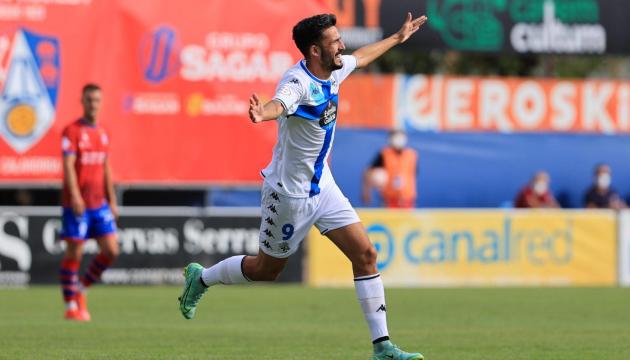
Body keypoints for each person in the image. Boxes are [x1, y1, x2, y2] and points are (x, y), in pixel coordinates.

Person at [179, 13, 427, 360]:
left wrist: (398, 38)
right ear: (315, 50)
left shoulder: (336, 68)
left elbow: (364, 56)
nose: (342, 45)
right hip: (289, 196)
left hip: (323, 185)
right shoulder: (298, 83)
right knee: (267, 271)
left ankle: (382, 346)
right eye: (335, 41)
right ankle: (201, 278)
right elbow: (280, 104)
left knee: (366, 255)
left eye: (340, 39)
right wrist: (262, 112)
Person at [59, 83, 119, 321]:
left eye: (96, 100)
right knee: (75, 253)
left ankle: (81, 290)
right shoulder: (71, 131)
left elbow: (106, 168)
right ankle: (70, 305)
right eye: (89, 100)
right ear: (82, 101)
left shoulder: (103, 132)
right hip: (78, 204)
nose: (93, 104)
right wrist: (74, 195)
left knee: (111, 250)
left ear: (100, 103)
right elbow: (68, 166)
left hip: (99, 203)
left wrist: (112, 199)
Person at [362, 129, 418, 208]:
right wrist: (366, 191)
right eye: (396, 136)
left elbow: (413, 174)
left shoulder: (412, 154)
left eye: (400, 136)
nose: (398, 139)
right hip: (388, 199)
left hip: (407, 198)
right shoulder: (384, 154)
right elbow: (367, 171)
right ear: (390, 139)